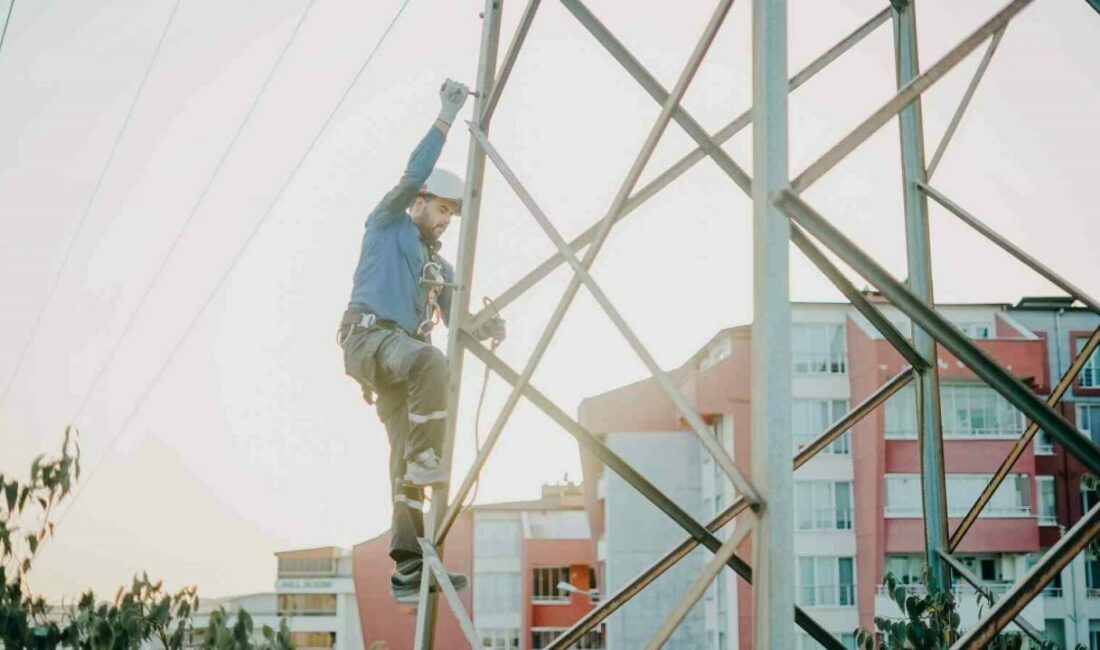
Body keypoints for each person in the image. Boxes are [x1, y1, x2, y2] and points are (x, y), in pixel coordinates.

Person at [338, 79, 505, 600]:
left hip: (400, 367)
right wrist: (445, 117)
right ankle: (425, 460)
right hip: (370, 341)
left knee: (405, 465)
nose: (444, 220)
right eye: (439, 209)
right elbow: (412, 174)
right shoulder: (387, 225)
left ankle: (408, 565)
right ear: (420, 202)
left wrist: (486, 325)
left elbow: (460, 327)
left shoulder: (438, 266)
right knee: (431, 364)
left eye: (451, 214)